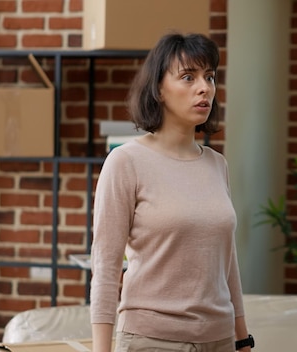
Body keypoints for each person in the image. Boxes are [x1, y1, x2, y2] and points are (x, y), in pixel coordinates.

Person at [90, 33, 253, 352]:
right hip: (151, 341)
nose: (204, 87)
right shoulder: (125, 162)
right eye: (188, 77)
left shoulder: (217, 165)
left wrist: (242, 338)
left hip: (218, 340)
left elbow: (226, 261)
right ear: (159, 90)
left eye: (209, 76)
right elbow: (106, 268)